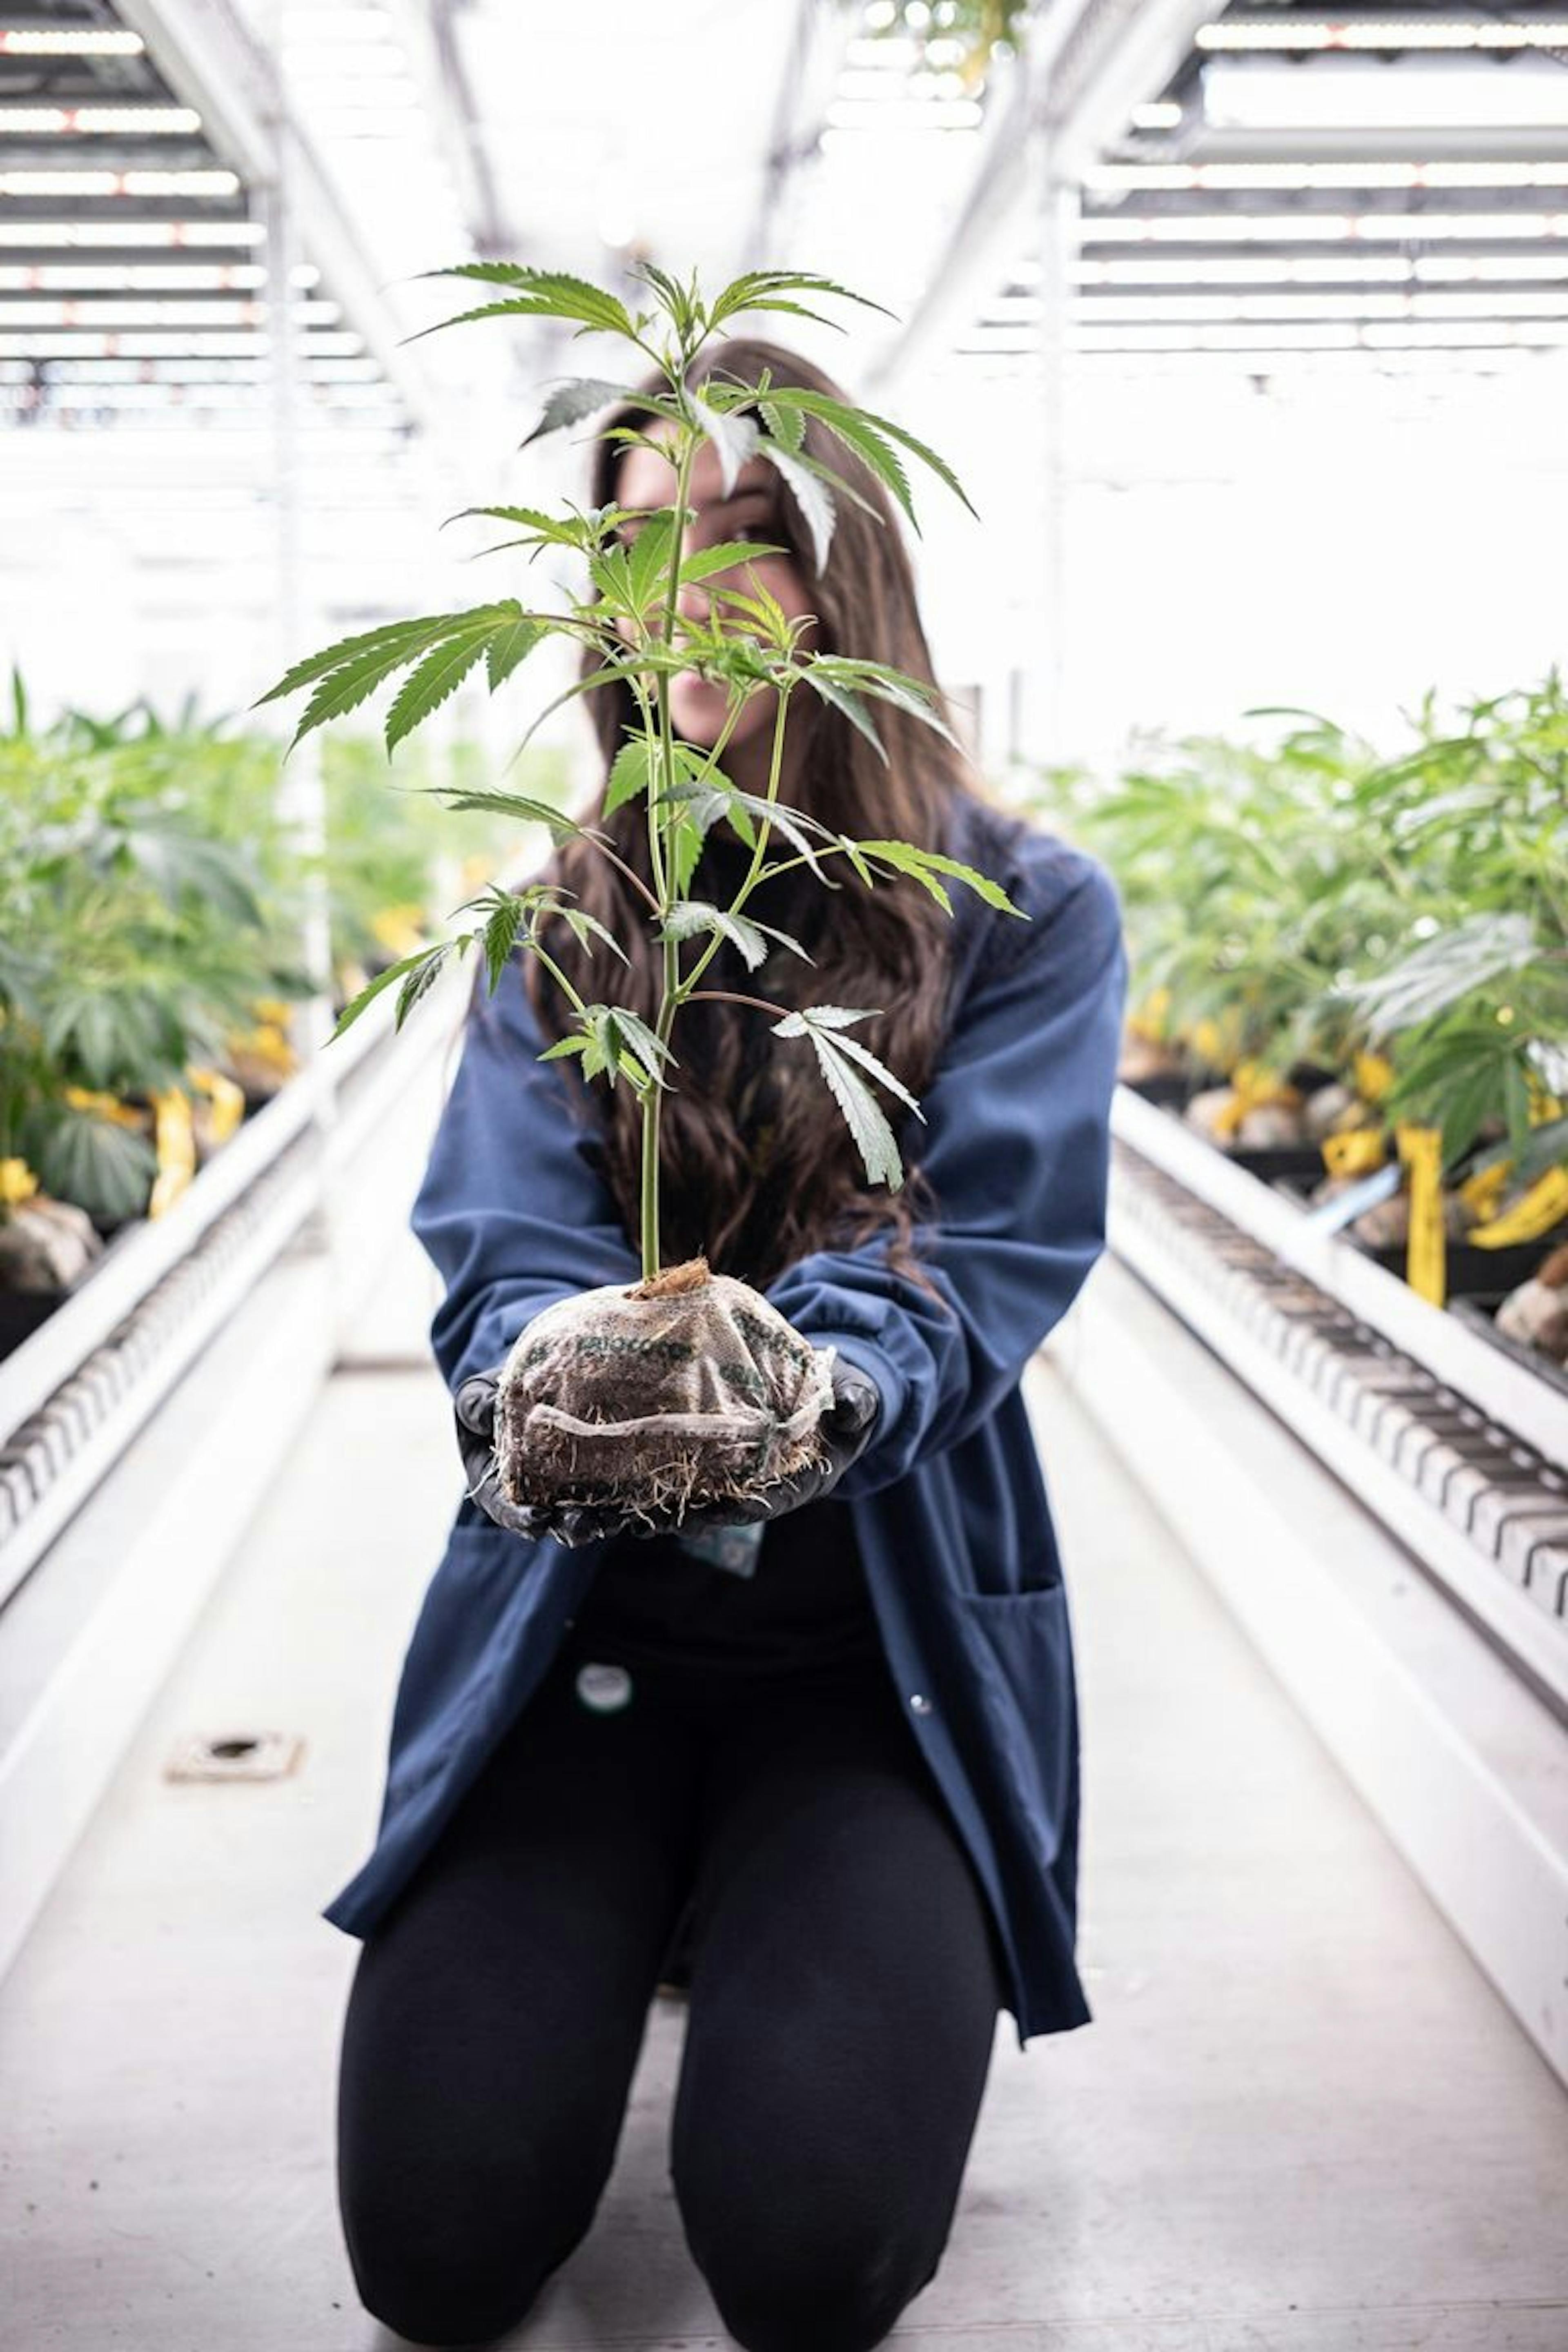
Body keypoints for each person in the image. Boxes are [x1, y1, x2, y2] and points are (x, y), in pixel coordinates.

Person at [326, 335, 1128, 2352]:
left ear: (848, 575)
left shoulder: (1022, 910)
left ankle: (799, 1898)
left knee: (808, 2255)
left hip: (876, 1668)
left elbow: (974, 1251)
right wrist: (557, 1367)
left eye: (741, 534)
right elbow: (502, 1246)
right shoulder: (566, 922)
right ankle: (642, 1895)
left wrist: (802, 1391)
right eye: (632, 546)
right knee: (431, 2250)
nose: (676, 595)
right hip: (578, 1653)